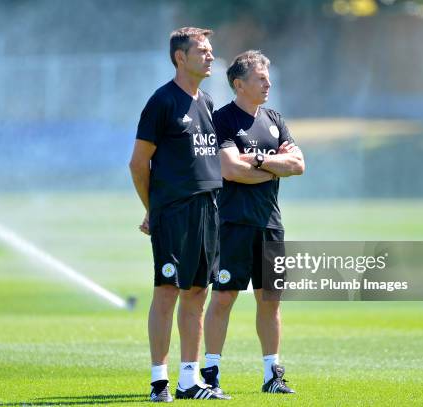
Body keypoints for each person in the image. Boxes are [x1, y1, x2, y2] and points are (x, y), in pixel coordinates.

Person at [129, 27, 229, 402]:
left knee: (198, 293)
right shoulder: (162, 102)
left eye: (210, 50)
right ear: (180, 58)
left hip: (208, 209)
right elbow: (139, 164)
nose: (210, 55)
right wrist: (152, 209)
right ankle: (159, 382)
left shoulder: (206, 102)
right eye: (201, 50)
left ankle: (189, 381)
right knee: (167, 290)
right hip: (174, 211)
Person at [201, 50, 304, 395]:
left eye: (267, 77)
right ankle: (211, 372)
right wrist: (275, 163)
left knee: (270, 300)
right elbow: (230, 170)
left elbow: (299, 165)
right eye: (261, 78)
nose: (268, 83)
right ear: (239, 84)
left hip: (270, 224)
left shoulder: (274, 117)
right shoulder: (223, 119)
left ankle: (271, 376)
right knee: (224, 298)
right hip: (233, 223)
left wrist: (257, 159)